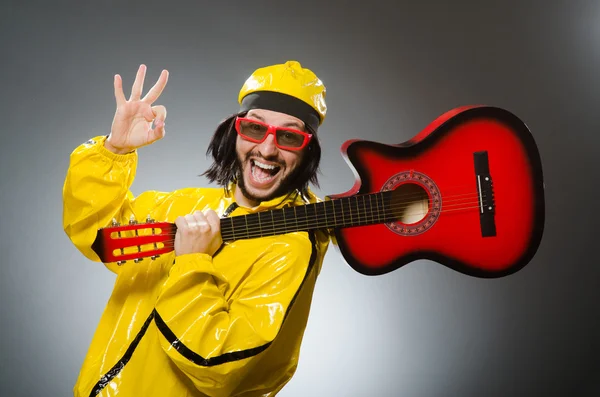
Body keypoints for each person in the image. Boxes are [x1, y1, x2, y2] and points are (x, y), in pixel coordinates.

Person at [62, 60, 331, 397]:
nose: (267, 149)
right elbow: (97, 236)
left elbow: (219, 365)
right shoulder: (184, 204)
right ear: (235, 132)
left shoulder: (291, 247)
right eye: (255, 129)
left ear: (308, 150)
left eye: (289, 136)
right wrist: (115, 150)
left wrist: (191, 263)